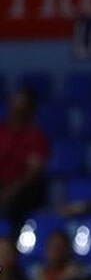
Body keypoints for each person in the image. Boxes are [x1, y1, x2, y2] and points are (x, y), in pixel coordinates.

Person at [0, 88, 49, 230]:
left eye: (22, 104)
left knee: (15, 205)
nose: (16, 108)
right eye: (14, 103)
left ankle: (11, 245)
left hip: (22, 191)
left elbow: (33, 173)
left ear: (29, 109)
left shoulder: (35, 137)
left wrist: (10, 192)